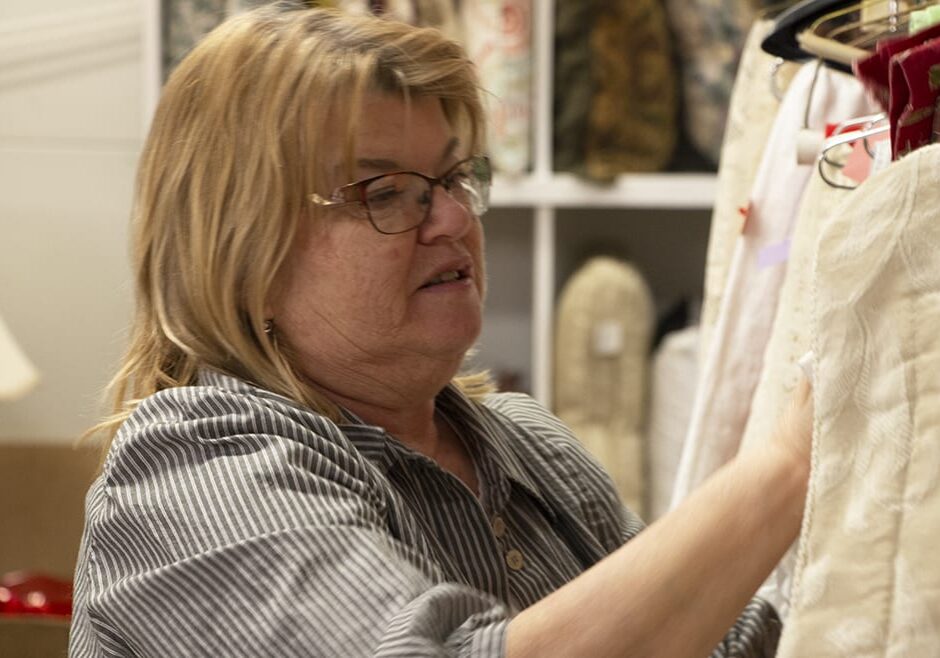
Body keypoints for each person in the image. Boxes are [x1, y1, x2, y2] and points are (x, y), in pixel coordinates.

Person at [69, 4, 814, 657]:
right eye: (387, 193)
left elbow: (725, 646)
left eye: (455, 179)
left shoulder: (529, 448)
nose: (455, 219)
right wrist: (788, 465)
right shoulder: (193, 471)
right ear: (241, 256)